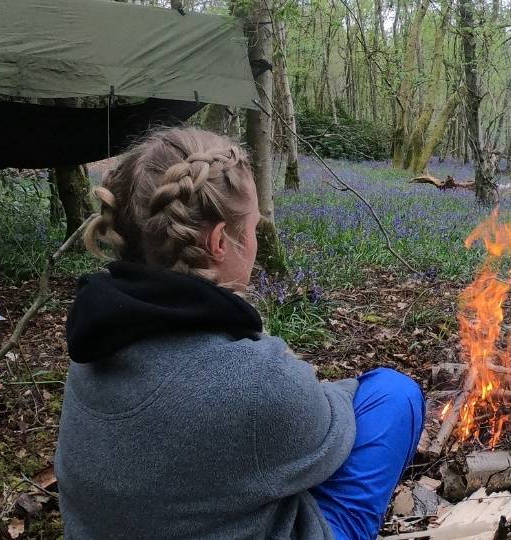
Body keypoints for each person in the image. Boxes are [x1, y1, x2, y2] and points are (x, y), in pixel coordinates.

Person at [55, 127, 424, 540]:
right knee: (394, 393)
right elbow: (328, 429)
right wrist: (326, 390)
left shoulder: (91, 348)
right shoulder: (253, 381)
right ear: (218, 242)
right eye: (251, 229)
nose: (254, 241)